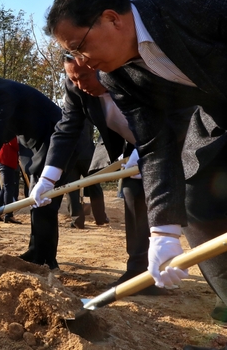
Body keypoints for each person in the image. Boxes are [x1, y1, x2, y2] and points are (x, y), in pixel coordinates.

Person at [46, 0, 227, 320]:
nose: (80, 61)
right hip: (217, 117)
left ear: (112, 18)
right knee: (195, 201)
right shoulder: (120, 77)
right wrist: (163, 229)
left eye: (79, 46)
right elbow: (155, 146)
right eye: (71, 53)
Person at [32, 55, 155, 290]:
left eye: (84, 76)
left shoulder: (137, 73)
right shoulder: (76, 88)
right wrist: (48, 178)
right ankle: (140, 273)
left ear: (101, 66)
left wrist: (149, 148)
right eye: (73, 78)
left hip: (181, 138)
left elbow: (173, 113)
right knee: (132, 192)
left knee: (198, 208)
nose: (80, 84)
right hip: (135, 146)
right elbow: (66, 130)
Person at [0, 64, 79, 270]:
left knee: (42, 199)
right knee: (38, 200)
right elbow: (6, 130)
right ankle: (38, 253)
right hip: (45, 144)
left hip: (58, 142)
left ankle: (44, 259)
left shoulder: (0, 93)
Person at [0, 136, 22, 224]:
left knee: (6, 186)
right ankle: (9, 214)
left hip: (6, 159)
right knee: (9, 187)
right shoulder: (12, 129)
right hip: (6, 159)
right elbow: (15, 144)